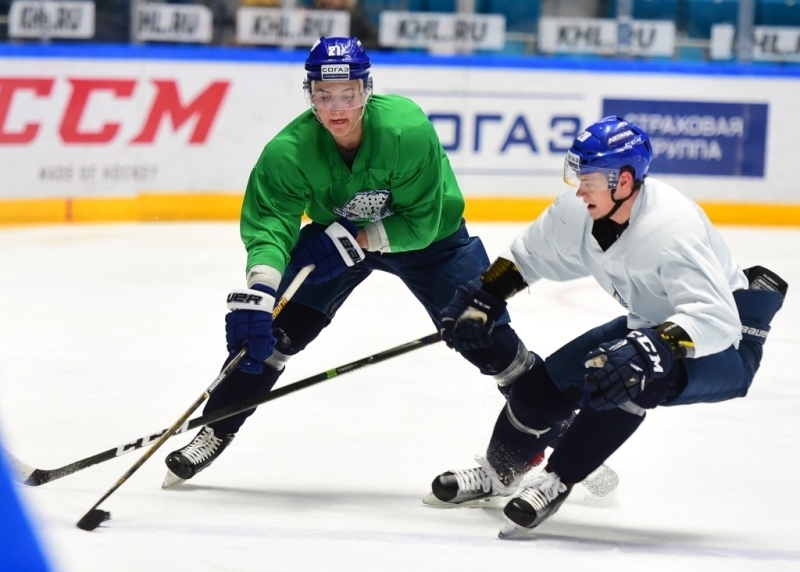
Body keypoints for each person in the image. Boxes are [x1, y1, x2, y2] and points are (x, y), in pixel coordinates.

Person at [161, 36, 540, 488]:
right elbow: (270, 225)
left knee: (484, 338)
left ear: (367, 90)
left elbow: (423, 220)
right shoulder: (288, 151)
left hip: (431, 244)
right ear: (310, 95)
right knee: (271, 332)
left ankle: (553, 418)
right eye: (324, 95)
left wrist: (356, 240)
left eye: (349, 94)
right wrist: (262, 288)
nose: (337, 108)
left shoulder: (406, 129)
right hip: (335, 239)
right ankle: (215, 428)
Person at [426, 116, 787, 538]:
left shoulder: (673, 230)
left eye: (590, 181)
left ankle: (556, 480)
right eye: (578, 179)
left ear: (624, 181)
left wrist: (651, 348)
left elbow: (717, 320)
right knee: (540, 392)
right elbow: (528, 257)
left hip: (723, 348)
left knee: (628, 375)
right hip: (648, 327)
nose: (579, 191)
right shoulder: (580, 211)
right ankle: (500, 472)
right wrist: (484, 296)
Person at [313, 0, 379, 50]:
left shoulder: (355, 17)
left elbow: (375, 38)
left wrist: (352, 46)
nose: (329, 1)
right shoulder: (311, 14)